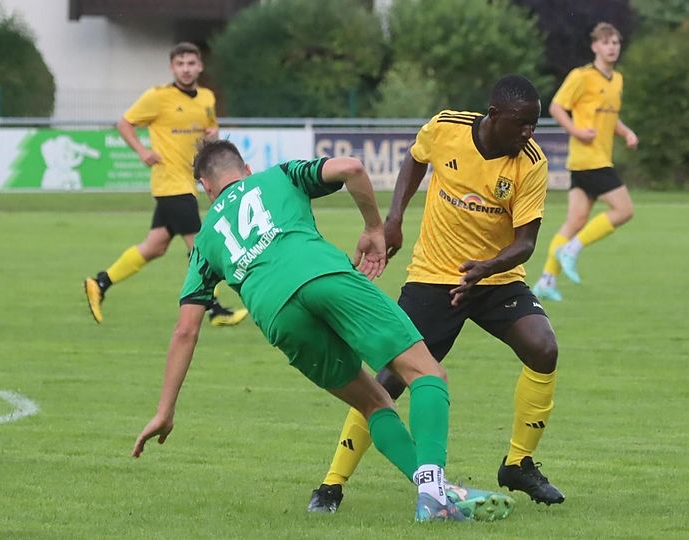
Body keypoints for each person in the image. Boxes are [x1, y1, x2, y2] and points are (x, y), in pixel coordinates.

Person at [131, 140, 514, 523]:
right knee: (427, 373)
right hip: (324, 276)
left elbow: (185, 330)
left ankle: (437, 492)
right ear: (245, 169)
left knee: (373, 403)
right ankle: (434, 494)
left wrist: (165, 411)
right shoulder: (278, 175)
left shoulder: (205, 240)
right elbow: (351, 168)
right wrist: (373, 228)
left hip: (276, 315)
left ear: (206, 188)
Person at [307, 74, 564, 514]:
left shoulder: (530, 162)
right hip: (434, 277)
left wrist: (486, 268)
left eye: (535, 124)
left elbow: (525, 242)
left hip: (495, 278)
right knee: (389, 379)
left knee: (543, 348)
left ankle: (518, 463)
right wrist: (395, 218)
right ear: (494, 115)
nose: (530, 133)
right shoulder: (447, 127)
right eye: (522, 123)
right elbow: (415, 159)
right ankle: (332, 484)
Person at [83, 42, 247, 326]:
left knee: (155, 246)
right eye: (180, 64)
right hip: (170, 183)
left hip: (188, 181)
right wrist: (142, 151)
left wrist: (213, 133)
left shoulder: (207, 97)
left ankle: (100, 283)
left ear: (200, 66)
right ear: (172, 67)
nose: (186, 69)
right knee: (201, 247)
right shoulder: (157, 97)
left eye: (191, 63)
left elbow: (208, 132)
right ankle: (215, 310)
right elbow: (124, 123)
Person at [532, 23, 639, 302]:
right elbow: (556, 106)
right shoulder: (581, 76)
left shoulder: (617, 80)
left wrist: (625, 132)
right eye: (606, 43)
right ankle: (572, 250)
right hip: (588, 159)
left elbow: (610, 115)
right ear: (594, 47)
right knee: (624, 209)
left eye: (615, 42)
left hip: (595, 159)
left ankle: (546, 279)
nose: (611, 47)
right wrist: (577, 131)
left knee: (575, 220)